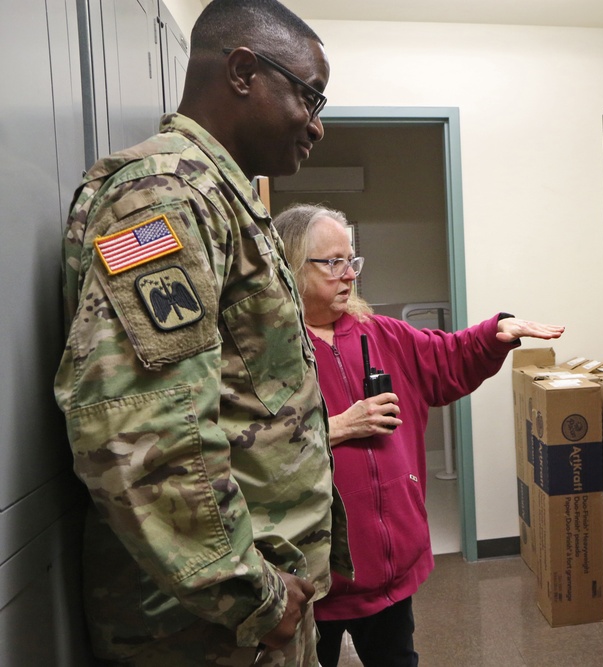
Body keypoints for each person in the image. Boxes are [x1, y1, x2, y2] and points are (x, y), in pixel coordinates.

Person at [52, 1, 351, 665]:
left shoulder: (221, 196)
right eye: (309, 95)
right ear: (243, 70)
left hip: (249, 609)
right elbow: (141, 429)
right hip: (205, 627)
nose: (318, 126)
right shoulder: (165, 195)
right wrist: (253, 597)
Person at [272, 204, 565, 666]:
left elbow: (448, 358)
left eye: (352, 261)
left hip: (390, 570)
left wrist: (495, 333)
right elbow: (244, 446)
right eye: (332, 263)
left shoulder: (382, 334)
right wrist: (333, 428)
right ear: (289, 266)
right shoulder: (268, 353)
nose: (348, 275)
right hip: (311, 578)